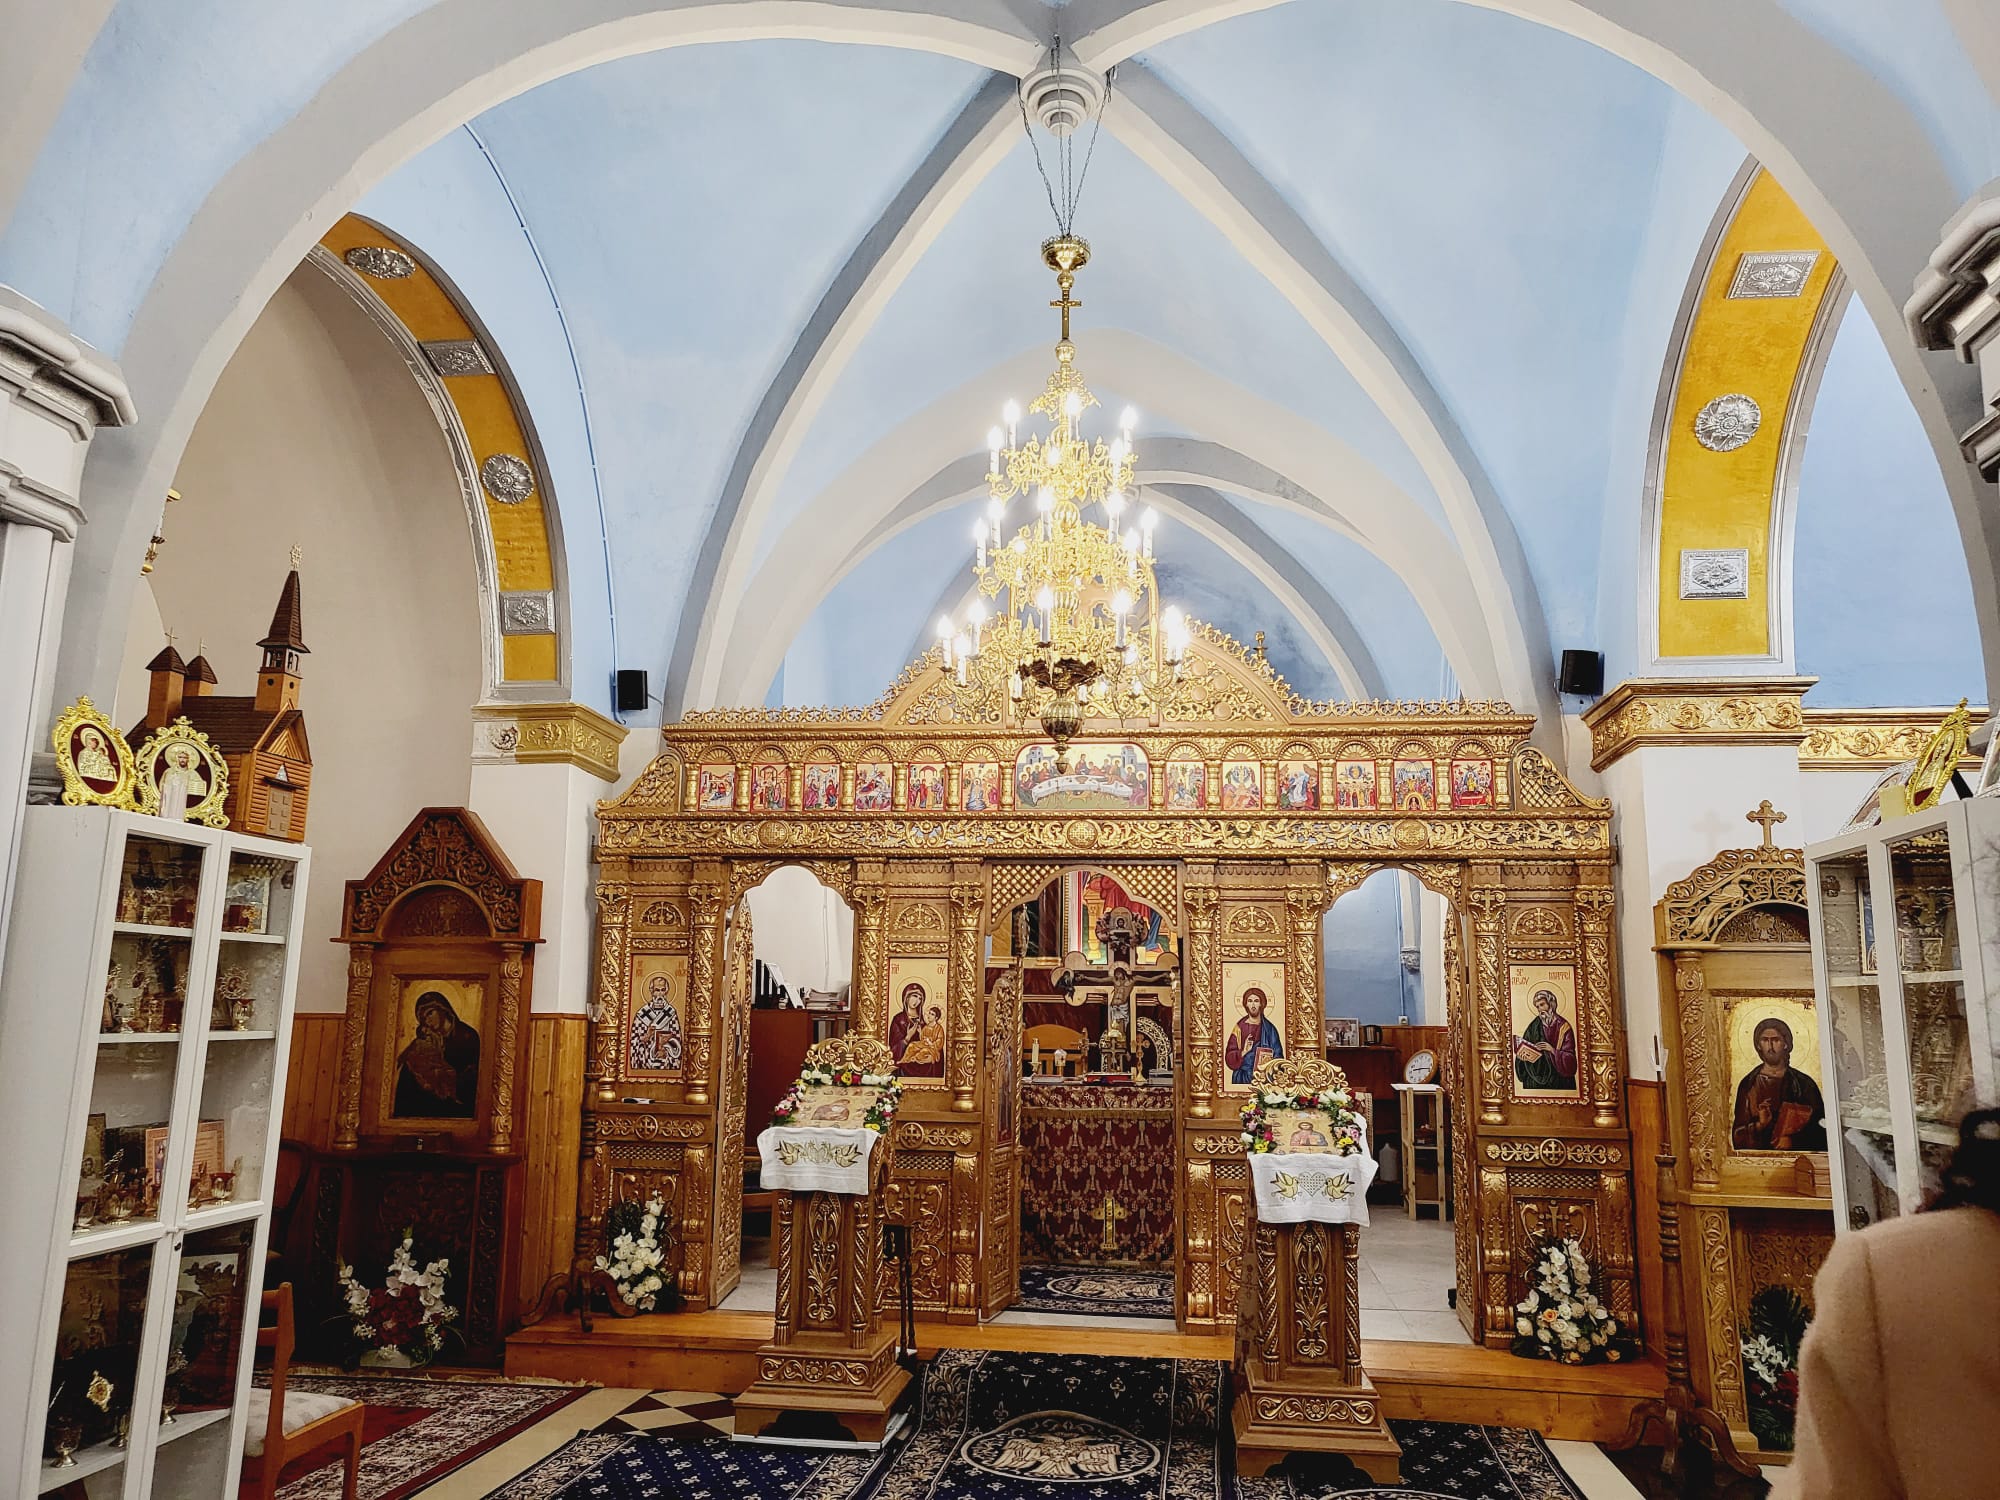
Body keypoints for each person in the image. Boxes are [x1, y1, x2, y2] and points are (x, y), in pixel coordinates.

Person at [1780, 1110, 2000, 1500]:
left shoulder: (1888, 1276)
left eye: (1776, 1040)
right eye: (1767, 1041)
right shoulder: (1892, 1279)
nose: (1772, 1044)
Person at [1731, 1015, 1826, 1151]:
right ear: (1758, 1045)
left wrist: (1793, 1141)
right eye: (1764, 1040)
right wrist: (1760, 1125)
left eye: (1775, 1040)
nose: (1770, 1046)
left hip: (1800, 1162)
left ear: (1785, 1043)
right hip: (1760, 1163)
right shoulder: (1749, 1085)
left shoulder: (1804, 1084)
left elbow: (1822, 1127)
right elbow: (1737, 1136)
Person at [393, 990, 481, 1117]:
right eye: (423, 1019)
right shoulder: (428, 1040)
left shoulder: (467, 1036)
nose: (428, 1021)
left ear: (443, 1009)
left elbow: (471, 1077)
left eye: (430, 1013)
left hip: (457, 1102)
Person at [1513, 988, 1577, 1091]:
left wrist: (1552, 1050)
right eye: (1537, 1007)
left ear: (1551, 1004)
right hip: (1536, 1076)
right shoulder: (1534, 1026)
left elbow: (1571, 1060)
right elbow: (1524, 1047)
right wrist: (1522, 1058)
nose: (1540, 1010)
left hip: (1558, 1079)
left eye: (1542, 1005)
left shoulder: (1564, 1027)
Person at [1225, 986, 1283, 1084]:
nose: (1253, 1005)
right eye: (1250, 1001)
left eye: (1256, 1001)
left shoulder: (1270, 1029)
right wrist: (1243, 1051)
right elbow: (1229, 1057)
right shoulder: (1239, 1027)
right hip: (1242, 1078)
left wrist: (1268, 1064)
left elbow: (1278, 1057)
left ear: (1261, 1004)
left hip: (1264, 1079)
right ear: (1246, 1004)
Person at [888, 981, 944, 1076]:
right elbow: (892, 1049)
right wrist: (907, 1038)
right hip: (904, 1068)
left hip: (926, 1065)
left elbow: (938, 1046)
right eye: (914, 996)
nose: (917, 1001)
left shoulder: (925, 1022)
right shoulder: (898, 1020)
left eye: (920, 998)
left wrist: (932, 1058)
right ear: (906, 997)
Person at [628, 973, 682, 1071]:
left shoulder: (671, 1014)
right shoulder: (642, 1014)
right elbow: (633, 1042)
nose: (660, 994)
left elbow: (677, 1042)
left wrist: (667, 1051)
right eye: (657, 990)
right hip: (646, 1062)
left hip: (665, 1062)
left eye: (663, 990)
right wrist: (646, 1036)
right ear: (652, 991)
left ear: (666, 991)